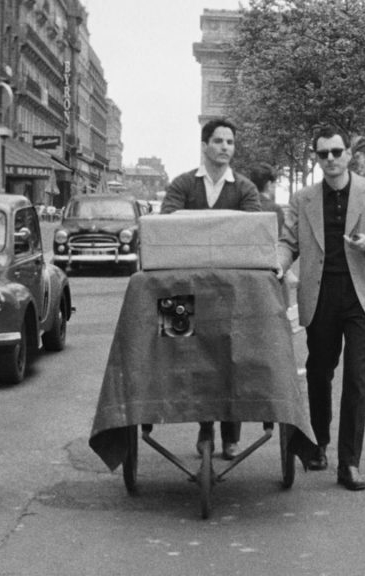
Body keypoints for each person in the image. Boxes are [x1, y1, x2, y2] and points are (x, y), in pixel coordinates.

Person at [277, 126, 365, 491]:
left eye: (337, 151)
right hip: (320, 296)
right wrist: (278, 266)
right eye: (323, 154)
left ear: (350, 154)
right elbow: (288, 243)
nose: (331, 159)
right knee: (319, 372)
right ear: (316, 159)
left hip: (360, 296)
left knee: (357, 379)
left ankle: (349, 462)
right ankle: (319, 444)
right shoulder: (303, 199)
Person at [161, 117, 261, 461]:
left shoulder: (245, 188)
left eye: (230, 142)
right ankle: (205, 429)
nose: (225, 148)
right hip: (184, 289)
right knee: (190, 358)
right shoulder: (182, 184)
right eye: (218, 141)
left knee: (232, 359)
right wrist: (223, 229)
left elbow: (253, 233)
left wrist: (195, 227)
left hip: (230, 290)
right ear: (205, 146)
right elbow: (165, 229)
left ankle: (231, 435)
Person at [248, 162, 285, 232]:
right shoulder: (275, 209)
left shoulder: (243, 203)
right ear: (269, 184)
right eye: (275, 183)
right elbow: (278, 234)